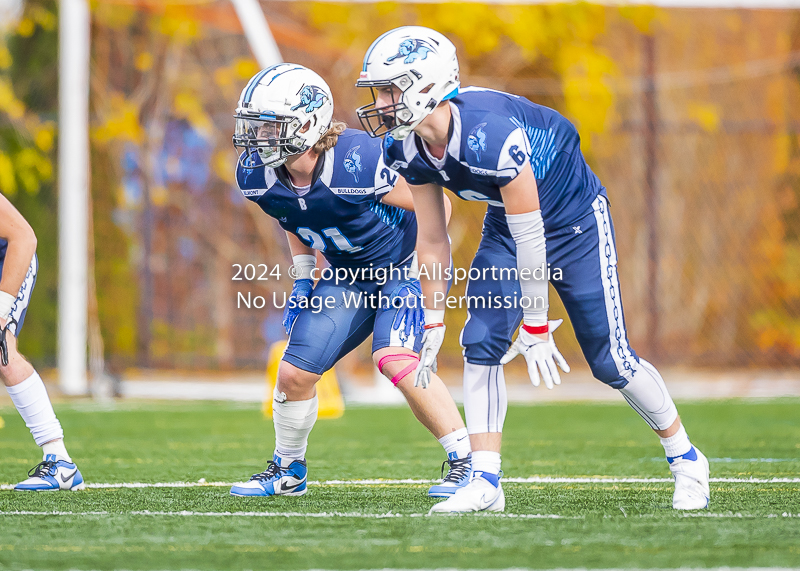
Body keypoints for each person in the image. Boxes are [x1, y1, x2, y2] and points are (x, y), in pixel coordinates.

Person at [356, 26, 710, 513]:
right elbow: (433, 239)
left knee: (610, 360)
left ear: (428, 86)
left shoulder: (490, 136)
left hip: (575, 221)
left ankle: (687, 458)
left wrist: (537, 322)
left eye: (391, 90)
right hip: (508, 225)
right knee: (480, 340)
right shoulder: (408, 147)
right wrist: (433, 318)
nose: (382, 103)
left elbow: (534, 236)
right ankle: (485, 480)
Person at [229, 64, 471, 498]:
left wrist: (422, 272)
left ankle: (465, 462)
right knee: (294, 373)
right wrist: (304, 278)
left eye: (270, 126)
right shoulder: (258, 174)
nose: (257, 137)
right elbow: (292, 216)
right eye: (255, 126)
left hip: (400, 265)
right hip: (347, 274)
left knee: (396, 358)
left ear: (307, 123)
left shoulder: (358, 162)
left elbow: (439, 211)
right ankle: (288, 470)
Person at [0, 193, 84, 491]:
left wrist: (1, 311)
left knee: (3, 352)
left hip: (10, 257)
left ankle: (60, 461)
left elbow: (23, 238)